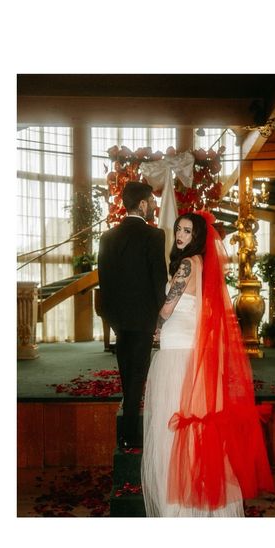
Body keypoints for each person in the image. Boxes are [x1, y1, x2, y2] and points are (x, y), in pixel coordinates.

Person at [141, 211, 274, 517]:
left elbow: (169, 305)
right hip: (186, 346)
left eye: (187, 231)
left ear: (197, 236)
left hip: (177, 351)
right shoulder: (201, 264)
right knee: (193, 424)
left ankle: (181, 505)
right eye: (179, 230)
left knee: (174, 425)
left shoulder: (188, 264)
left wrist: (156, 323)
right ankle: (198, 504)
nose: (180, 235)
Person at [98, 181, 168, 450]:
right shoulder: (154, 236)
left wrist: (112, 317)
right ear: (142, 204)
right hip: (143, 318)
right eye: (151, 201)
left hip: (118, 318)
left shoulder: (107, 237)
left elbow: (105, 281)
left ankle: (127, 431)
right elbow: (157, 279)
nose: (153, 206)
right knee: (137, 374)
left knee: (127, 372)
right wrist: (160, 319)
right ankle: (129, 435)